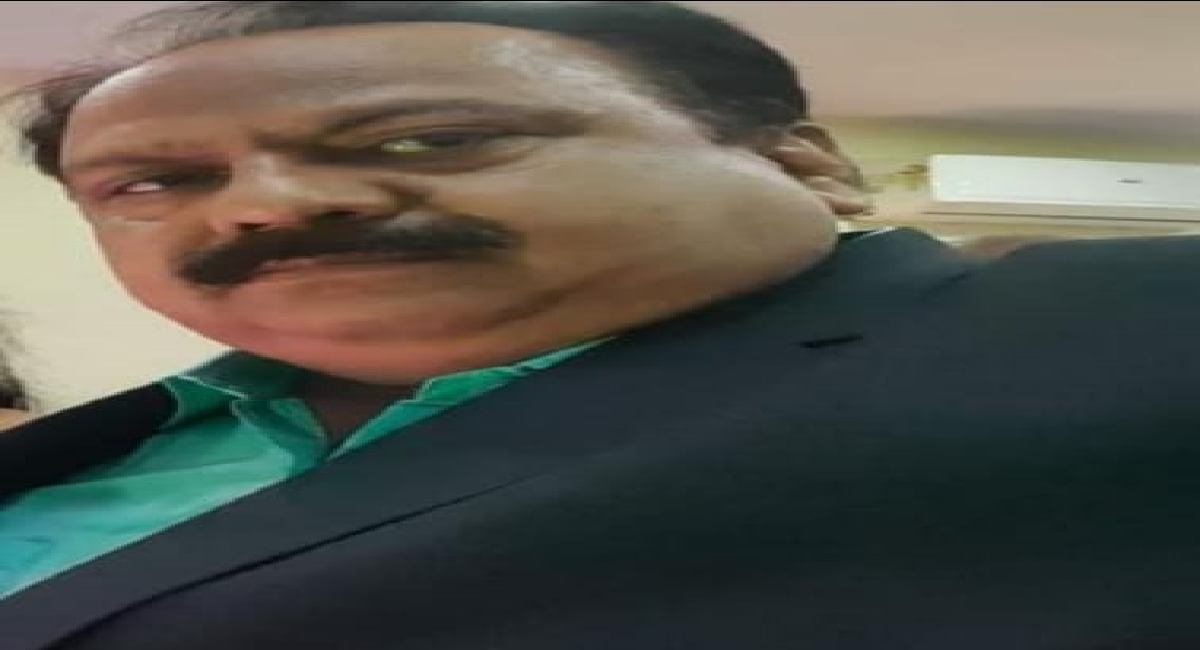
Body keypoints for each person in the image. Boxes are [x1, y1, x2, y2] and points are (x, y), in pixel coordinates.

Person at [2, 2, 1199, 648]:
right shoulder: (114, 439)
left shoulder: (1135, 326)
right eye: (154, 182)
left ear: (804, 163)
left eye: (428, 138)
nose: (265, 204)